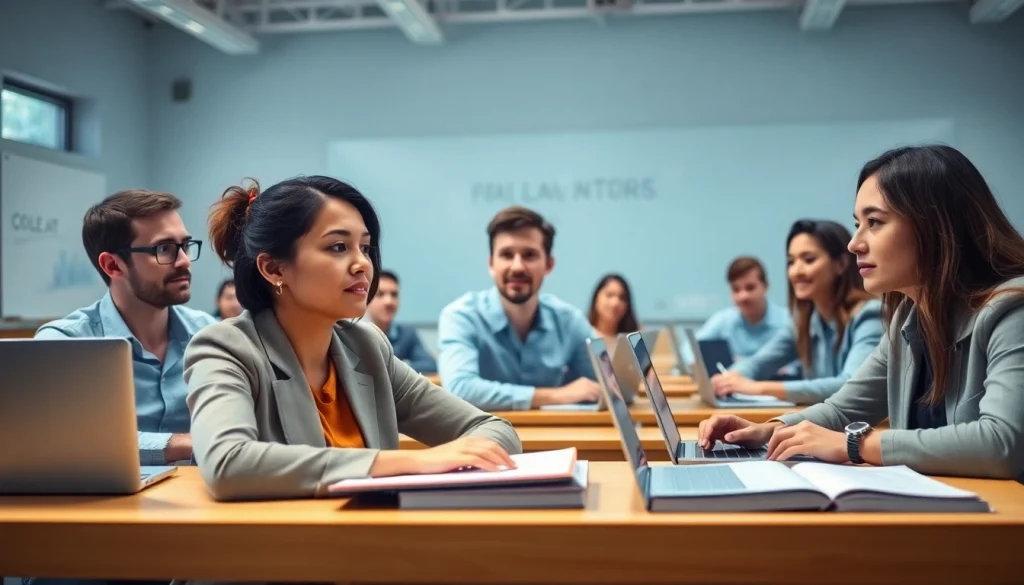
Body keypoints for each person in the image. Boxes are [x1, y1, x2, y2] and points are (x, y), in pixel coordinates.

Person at [185, 176, 521, 501]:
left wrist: (446, 462)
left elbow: (496, 431)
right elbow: (228, 464)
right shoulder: (225, 348)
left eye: (365, 247)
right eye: (338, 247)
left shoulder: (367, 346)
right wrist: (411, 462)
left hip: (372, 533)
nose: (363, 264)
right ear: (274, 269)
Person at [698, 145, 1024, 480]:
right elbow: (843, 408)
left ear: (936, 226)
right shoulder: (908, 318)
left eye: (875, 222)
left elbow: (1003, 445)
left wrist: (855, 444)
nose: (854, 243)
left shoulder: (1013, 309)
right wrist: (768, 430)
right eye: (858, 224)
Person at [35, 189, 214, 465]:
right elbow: (70, 438)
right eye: (163, 249)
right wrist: (183, 444)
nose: (184, 261)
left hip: (203, 489)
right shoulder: (64, 343)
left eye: (185, 245)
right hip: (106, 492)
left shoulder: (209, 333)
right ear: (112, 265)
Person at [437, 206, 601, 411]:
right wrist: (555, 395)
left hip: (554, 429)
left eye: (529, 255)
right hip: (482, 431)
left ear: (549, 265)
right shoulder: (461, 316)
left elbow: (601, 389)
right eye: (506, 255)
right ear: (491, 264)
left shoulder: (570, 321)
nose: (517, 267)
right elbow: (460, 389)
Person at [710, 220, 882, 404]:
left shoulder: (869, 316)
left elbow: (851, 386)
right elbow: (759, 362)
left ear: (840, 264)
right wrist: (730, 378)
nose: (796, 271)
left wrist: (758, 388)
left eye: (808, 260)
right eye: (791, 262)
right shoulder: (805, 321)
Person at [694, 257, 791, 362]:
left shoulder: (789, 322)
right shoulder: (723, 321)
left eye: (750, 288)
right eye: (736, 289)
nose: (743, 296)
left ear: (766, 286)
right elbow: (690, 350)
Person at [366, 269, 438, 373]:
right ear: (367, 299)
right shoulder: (354, 334)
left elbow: (430, 365)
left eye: (394, 295)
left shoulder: (407, 334)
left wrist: (395, 367)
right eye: (380, 294)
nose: (388, 301)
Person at [587, 273, 640, 347]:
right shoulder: (583, 336)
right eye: (609, 295)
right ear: (596, 298)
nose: (615, 303)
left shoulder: (634, 340)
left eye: (622, 298)